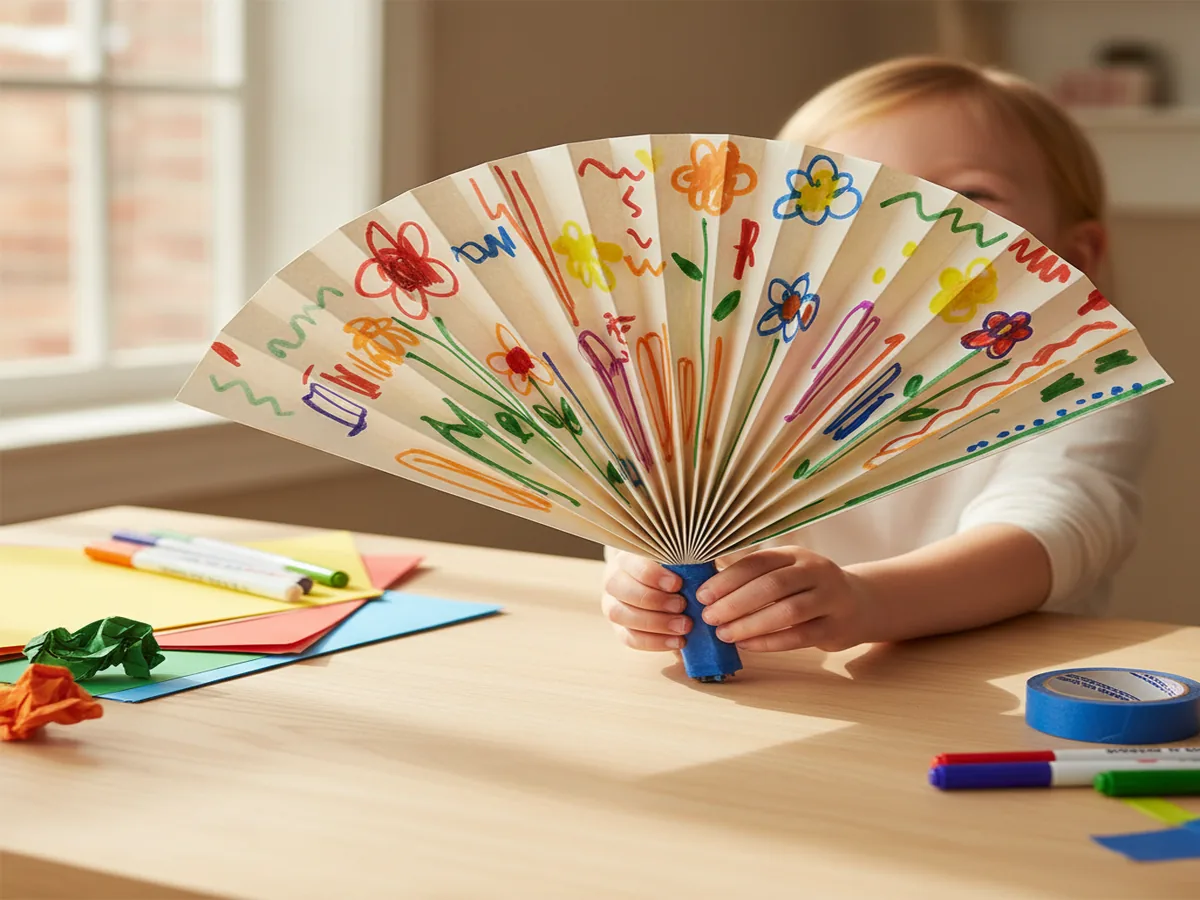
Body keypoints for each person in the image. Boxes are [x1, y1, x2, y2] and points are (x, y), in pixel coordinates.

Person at [601, 56, 1153, 657]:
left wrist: (868, 601)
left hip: (999, 693)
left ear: (1076, 254)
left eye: (971, 195)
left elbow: (1053, 531)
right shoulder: (750, 379)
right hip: (794, 694)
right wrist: (641, 578)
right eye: (855, 198)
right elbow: (667, 498)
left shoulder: (1073, 384)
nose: (914, 227)